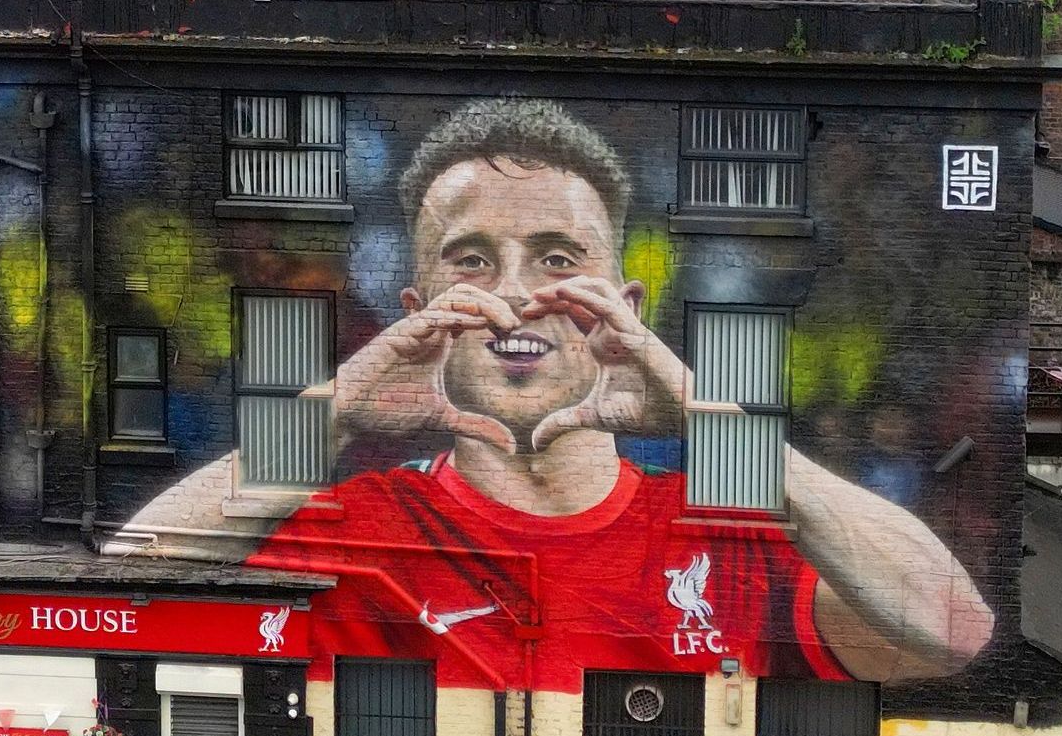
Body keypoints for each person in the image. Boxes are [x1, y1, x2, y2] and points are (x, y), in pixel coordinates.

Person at [117, 97, 994, 682]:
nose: (511, 296)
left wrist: (713, 427)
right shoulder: (353, 530)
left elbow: (956, 627)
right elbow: (118, 596)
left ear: (624, 307)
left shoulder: (732, 538)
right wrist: (337, 411)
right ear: (421, 313)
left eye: (558, 259)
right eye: (473, 262)